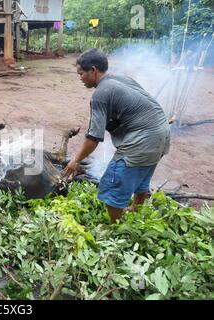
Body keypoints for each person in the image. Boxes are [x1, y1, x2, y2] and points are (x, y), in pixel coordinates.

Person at [63, 48, 171, 223]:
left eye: (81, 73)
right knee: (142, 175)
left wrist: (76, 160)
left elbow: (93, 138)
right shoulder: (121, 79)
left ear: (93, 70)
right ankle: (136, 211)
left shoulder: (100, 94)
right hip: (162, 133)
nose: (80, 78)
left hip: (144, 140)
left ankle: (116, 227)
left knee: (111, 185)